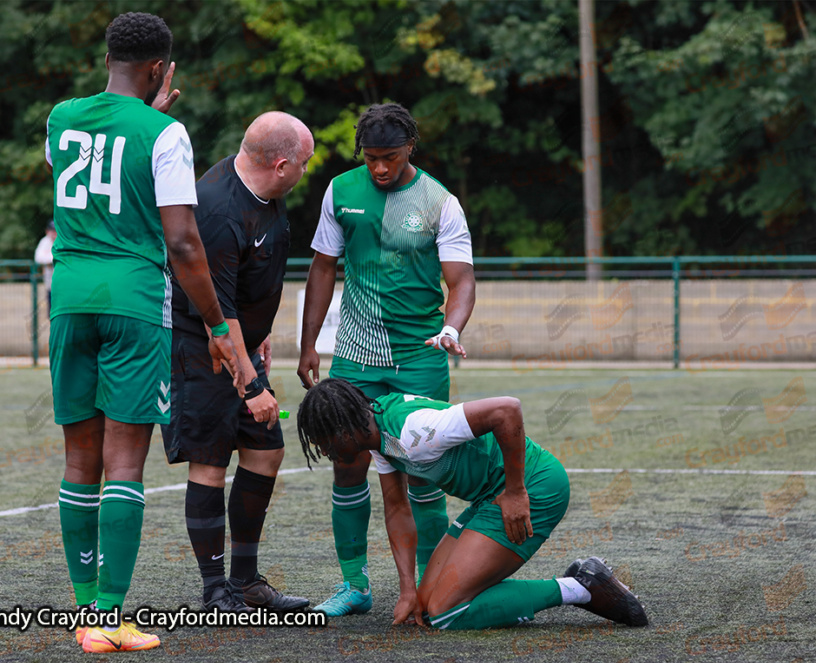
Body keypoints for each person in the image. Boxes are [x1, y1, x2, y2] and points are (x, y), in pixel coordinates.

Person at [44, 12, 243, 653]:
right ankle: (110, 618)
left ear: (110, 58)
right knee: (124, 461)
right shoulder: (167, 133)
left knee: (79, 461)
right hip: (134, 301)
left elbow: (100, 158)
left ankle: (81, 615)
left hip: (69, 297)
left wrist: (143, 113)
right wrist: (216, 323)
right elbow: (182, 240)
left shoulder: (59, 118)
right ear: (160, 68)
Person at [297, 102, 476, 616]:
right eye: (372, 157)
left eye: (391, 158)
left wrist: (451, 327)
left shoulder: (441, 201)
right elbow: (323, 268)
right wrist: (310, 344)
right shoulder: (341, 191)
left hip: (419, 358)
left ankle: (428, 586)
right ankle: (354, 586)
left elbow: (460, 281)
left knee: (423, 472)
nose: (380, 167)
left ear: (410, 150)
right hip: (353, 359)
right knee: (347, 465)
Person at [296, 378, 649, 630]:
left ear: (343, 430)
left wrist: (515, 491)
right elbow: (397, 509)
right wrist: (407, 589)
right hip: (489, 498)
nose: (324, 451)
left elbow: (506, 410)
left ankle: (580, 587)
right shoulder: (378, 436)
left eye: (323, 440)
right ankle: (500, 592)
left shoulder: (414, 431)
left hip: (536, 487)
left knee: (448, 612)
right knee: (429, 604)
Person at [164, 111, 315, 613]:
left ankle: (246, 581)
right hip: (202, 348)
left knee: (266, 450)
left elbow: (252, 279)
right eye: (304, 162)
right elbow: (216, 315)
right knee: (210, 461)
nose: (306, 171)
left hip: (240, 342)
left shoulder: (265, 194)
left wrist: (262, 331)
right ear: (280, 163)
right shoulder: (220, 210)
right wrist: (252, 387)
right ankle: (214, 591)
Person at [34, 220, 55, 317]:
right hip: (50, 284)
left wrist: (49, 258)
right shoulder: (45, 241)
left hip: (64, 286)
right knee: (51, 314)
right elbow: (38, 258)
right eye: (52, 230)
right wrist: (52, 259)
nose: (54, 233)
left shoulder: (63, 240)